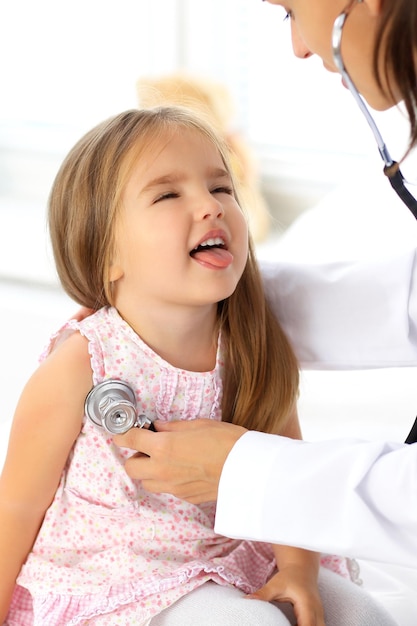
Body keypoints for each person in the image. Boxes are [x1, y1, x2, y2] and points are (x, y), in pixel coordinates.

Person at [0, 106, 397, 626]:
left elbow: (290, 472)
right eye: (168, 194)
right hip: (119, 579)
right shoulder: (82, 363)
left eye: (222, 188)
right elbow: (17, 508)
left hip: (233, 556)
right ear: (105, 253)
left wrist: (298, 570)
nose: (210, 207)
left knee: (363, 615)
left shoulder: (251, 344)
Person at [108, 0, 417, 569]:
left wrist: (251, 477)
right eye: (168, 194)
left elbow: (285, 447)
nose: (299, 45)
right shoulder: (90, 357)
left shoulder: (256, 354)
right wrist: (183, 298)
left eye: (293, 11)